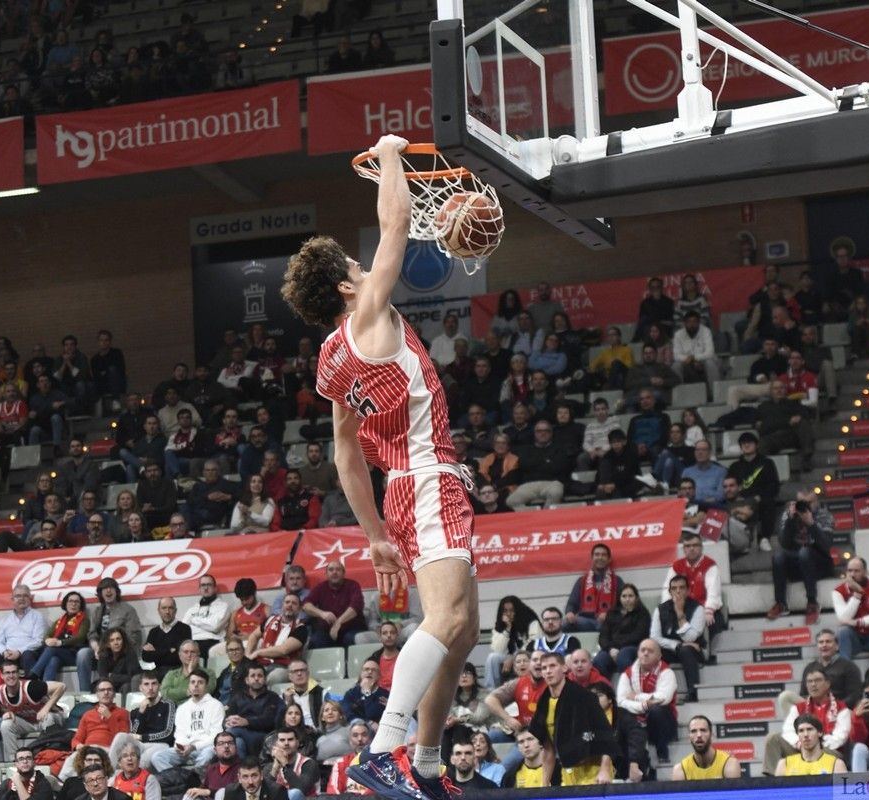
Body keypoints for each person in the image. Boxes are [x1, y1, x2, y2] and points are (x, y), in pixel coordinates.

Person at [282, 134, 481, 800]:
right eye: (355, 266)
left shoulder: (331, 359)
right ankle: (387, 747)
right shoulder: (367, 315)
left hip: (406, 487)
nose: (369, 269)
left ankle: (424, 765)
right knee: (448, 622)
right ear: (344, 284)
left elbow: (344, 452)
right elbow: (396, 221)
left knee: (462, 631)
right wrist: (390, 153)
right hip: (424, 478)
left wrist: (371, 534)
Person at [528, 651, 616, 785]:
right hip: (568, 771)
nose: (548, 671)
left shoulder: (584, 697)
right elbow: (548, 748)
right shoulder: (543, 703)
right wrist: (544, 784)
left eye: (552, 666)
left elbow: (606, 735)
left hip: (594, 770)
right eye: (544, 668)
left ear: (564, 668)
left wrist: (604, 769)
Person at [763, 666, 850, 774]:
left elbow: (840, 738)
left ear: (827, 684)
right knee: (773, 739)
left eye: (817, 680)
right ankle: (771, 782)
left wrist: (816, 743)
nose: (813, 684)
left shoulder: (841, 708)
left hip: (828, 750)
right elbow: (788, 731)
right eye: (809, 681)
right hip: (801, 747)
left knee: (825, 751)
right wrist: (801, 744)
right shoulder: (799, 707)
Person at [768, 493, 834, 623]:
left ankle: (812, 602)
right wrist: (790, 521)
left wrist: (811, 524)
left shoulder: (824, 515)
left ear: (816, 502)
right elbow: (784, 544)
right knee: (778, 556)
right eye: (801, 503)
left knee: (805, 552)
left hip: (820, 564)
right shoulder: (789, 516)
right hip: (797, 564)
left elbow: (826, 546)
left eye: (809, 503)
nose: (805, 506)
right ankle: (780, 603)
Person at [0, 660, 65, 764]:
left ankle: (46, 758)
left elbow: (61, 686)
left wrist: (46, 708)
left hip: (51, 718)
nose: (11, 676)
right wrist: (8, 712)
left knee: (48, 717)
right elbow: (6, 706)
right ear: (2, 676)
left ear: (18, 674)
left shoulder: (31, 687)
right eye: (7, 673)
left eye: (14, 672)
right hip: (29, 721)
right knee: (6, 724)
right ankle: (12, 761)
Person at [615, 639, 677, 764]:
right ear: (638, 653)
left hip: (664, 724)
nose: (645, 653)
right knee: (620, 713)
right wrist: (643, 706)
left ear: (659, 656)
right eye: (642, 650)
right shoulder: (627, 674)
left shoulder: (667, 672)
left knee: (656, 709)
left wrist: (637, 697)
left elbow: (662, 698)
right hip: (637, 723)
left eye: (650, 651)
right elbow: (621, 701)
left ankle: (662, 752)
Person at [152, 669, 224, 773]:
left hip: (206, 748)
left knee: (207, 756)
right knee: (157, 757)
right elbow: (179, 734)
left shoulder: (216, 705)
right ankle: (178, 780)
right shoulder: (182, 708)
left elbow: (216, 736)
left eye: (200, 682)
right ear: (188, 685)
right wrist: (180, 746)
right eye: (193, 682)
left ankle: (194, 780)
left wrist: (194, 747)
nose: (196, 685)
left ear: (206, 686)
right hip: (186, 751)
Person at [650, 575, 706, 701]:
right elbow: (654, 637)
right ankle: (654, 693)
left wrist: (680, 613)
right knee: (652, 652)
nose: (678, 591)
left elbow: (690, 638)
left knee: (686, 651)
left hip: (694, 650)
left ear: (688, 590)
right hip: (671, 649)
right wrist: (676, 645)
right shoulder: (660, 609)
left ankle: (693, 692)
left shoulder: (698, 608)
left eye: (682, 587)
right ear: (670, 592)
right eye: (674, 588)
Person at [594, 583, 650, 676]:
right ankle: (605, 689)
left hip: (634, 648)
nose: (627, 599)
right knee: (599, 660)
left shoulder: (643, 613)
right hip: (611, 649)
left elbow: (639, 635)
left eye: (630, 596)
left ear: (636, 598)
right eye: (624, 596)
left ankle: (630, 688)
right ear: (619, 598)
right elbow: (603, 636)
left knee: (623, 656)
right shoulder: (612, 613)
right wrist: (610, 649)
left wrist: (616, 647)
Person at [562, 544, 621, 633]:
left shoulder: (617, 581)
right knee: (564, 624)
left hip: (607, 621)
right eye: (597, 555)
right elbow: (572, 603)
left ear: (609, 559)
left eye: (603, 555)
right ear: (592, 558)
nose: (600, 558)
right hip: (585, 621)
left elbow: (623, 605)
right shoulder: (582, 581)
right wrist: (569, 613)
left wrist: (609, 615)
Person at [224, 664, 281, 756]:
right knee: (237, 742)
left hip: (262, 735)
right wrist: (228, 722)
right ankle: (243, 768)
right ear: (247, 680)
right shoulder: (238, 697)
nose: (256, 678)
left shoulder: (272, 697)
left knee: (230, 733)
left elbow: (269, 721)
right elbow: (228, 716)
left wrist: (246, 722)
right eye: (253, 676)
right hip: (239, 733)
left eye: (260, 676)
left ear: (265, 679)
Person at [0, 585, 46, 673]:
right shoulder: (5, 619)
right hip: (8, 655)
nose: (21, 598)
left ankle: (33, 685)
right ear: (12, 599)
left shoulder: (37, 616)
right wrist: (4, 652)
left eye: (25, 596)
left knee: (27, 655)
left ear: (30, 598)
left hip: (27, 654)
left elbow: (38, 641)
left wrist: (19, 652)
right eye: (18, 596)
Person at [672, 715, 741, 780]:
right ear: (689, 737)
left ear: (711, 735)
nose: (699, 735)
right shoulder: (681, 769)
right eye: (693, 731)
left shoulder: (729, 764)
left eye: (703, 730)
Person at [774, 714, 846, 775]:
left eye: (809, 729)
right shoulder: (784, 764)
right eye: (801, 731)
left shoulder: (836, 764)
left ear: (820, 732)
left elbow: (842, 791)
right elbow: (777, 791)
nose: (805, 734)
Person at [144, 596, 193, 672]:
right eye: (164, 608)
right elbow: (146, 656)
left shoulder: (184, 629)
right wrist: (169, 650)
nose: (167, 611)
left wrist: (156, 651)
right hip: (157, 672)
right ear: (159, 611)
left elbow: (178, 658)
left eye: (170, 608)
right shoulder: (153, 632)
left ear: (175, 611)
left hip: (178, 671)